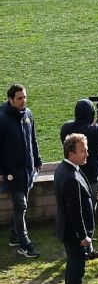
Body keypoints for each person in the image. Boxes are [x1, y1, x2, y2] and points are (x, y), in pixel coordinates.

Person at [54, 134, 96, 284]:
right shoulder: (70, 176)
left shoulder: (66, 168)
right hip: (74, 234)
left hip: (70, 232)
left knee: (74, 268)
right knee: (76, 270)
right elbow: (75, 212)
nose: (87, 153)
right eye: (83, 150)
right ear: (71, 153)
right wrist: (83, 236)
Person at [58, 97, 98, 206]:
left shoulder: (66, 128)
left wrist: (97, 124)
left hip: (70, 175)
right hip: (91, 180)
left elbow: (87, 128)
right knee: (88, 210)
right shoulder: (94, 131)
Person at [1, 84, 41, 259]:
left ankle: (14, 235)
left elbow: (32, 138)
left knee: (20, 205)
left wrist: (37, 160)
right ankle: (25, 244)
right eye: (19, 98)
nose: (23, 101)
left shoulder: (28, 114)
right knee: (21, 205)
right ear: (11, 99)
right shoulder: (2, 118)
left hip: (27, 169)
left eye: (24, 97)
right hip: (12, 171)